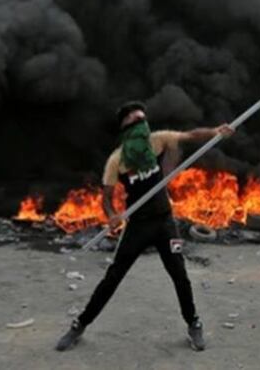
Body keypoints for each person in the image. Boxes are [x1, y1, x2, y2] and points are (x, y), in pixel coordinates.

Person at [55, 101, 233, 352]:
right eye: (135, 121)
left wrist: (215, 131)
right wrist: (112, 215)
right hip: (138, 226)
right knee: (113, 278)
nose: (142, 125)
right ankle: (80, 324)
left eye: (143, 120)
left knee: (180, 276)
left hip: (164, 221)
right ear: (125, 128)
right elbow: (106, 198)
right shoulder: (117, 160)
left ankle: (194, 323)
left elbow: (191, 136)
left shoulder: (157, 141)